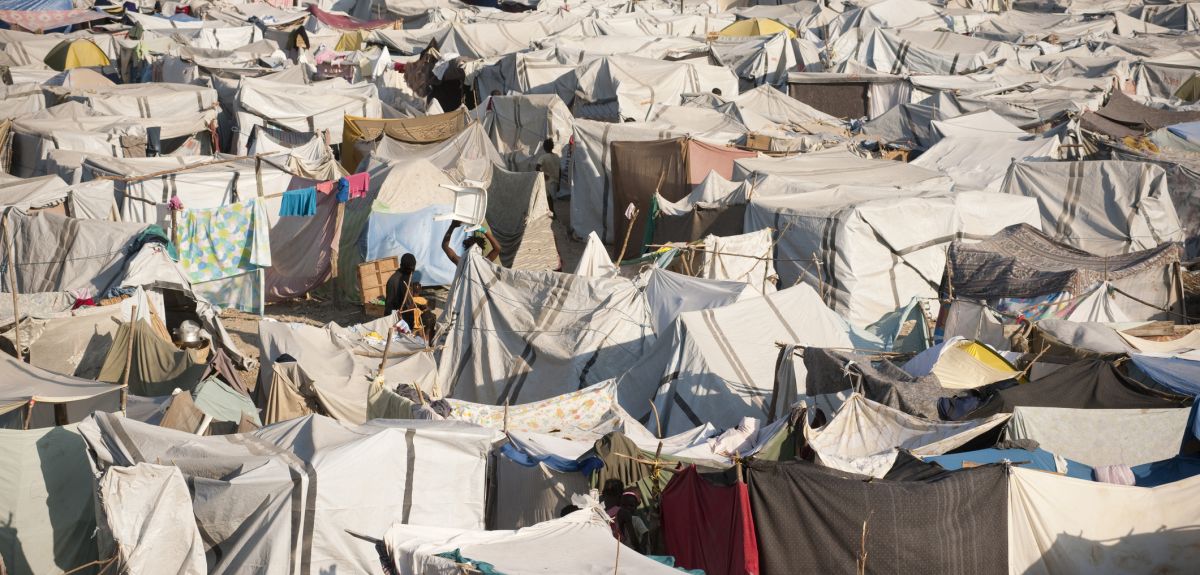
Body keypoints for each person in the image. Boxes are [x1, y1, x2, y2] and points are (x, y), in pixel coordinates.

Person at [384, 253, 420, 332]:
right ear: (401, 266)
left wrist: (416, 294)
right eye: (409, 270)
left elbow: (410, 299)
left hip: (408, 316)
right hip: (398, 318)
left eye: (412, 270)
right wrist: (388, 324)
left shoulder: (408, 275)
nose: (411, 272)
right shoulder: (393, 281)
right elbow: (389, 306)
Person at [536, 138, 560, 218]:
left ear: (544, 147)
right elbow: (560, 170)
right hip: (555, 181)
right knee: (552, 199)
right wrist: (559, 183)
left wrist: (543, 174)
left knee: (548, 198)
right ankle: (553, 213)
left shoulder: (543, 157)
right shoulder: (557, 157)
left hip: (547, 181)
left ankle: (553, 214)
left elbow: (537, 167)